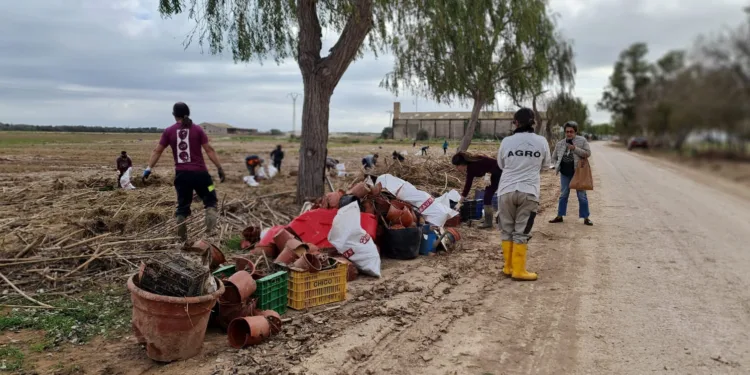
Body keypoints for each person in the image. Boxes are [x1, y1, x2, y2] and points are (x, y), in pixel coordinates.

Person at [143, 102, 225, 241]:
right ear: (188, 113)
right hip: (202, 176)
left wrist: (148, 169)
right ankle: (210, 237)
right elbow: (209, 150)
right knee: (211, 198)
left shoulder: (169, 131)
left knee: (182, 206)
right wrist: (219, 168)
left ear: (174, 115)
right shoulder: (198, 130)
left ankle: (182, 241)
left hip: (182, 177)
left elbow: (157, 151)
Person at [496, 107, 551, 281]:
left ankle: (508, 267)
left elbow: (501, 164)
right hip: (529, 192)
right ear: (533, 123)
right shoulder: (541, 141)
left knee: (507, 230)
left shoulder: (506, 141)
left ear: (516, 123)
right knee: (521, 231)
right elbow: (546, 166)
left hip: (505, 191)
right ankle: (519, 270)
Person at [549, 121, 593, 226]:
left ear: (575, 132)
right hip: (565, 173)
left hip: (578, 173)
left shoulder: (582, 141)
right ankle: (560, 216)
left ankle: (586, 218)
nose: (569, 134)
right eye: (567, 132)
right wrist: (557, 165)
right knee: (563, 195)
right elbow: (554, 157)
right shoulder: (560, 143)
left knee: (582, 196)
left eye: (571, 131)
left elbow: (588, 153)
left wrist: (575, 149)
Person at [451, 152, 502, 229]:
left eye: (457, 166)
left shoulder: (474, 164)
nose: (457, 168)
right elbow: (467, 186)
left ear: (462, 164)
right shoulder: (471, 167)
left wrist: (489, 173)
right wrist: (459, 203)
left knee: (487, 196)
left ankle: (488, 222)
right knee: (487, 195)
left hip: (498, 172)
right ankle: (487, 220)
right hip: (493, 174)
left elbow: (494, 162)